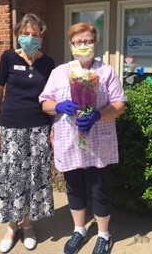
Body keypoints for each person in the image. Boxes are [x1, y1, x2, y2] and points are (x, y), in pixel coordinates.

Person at [39, 22, 125, 254]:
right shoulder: (59, 73)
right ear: (71, 45)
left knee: (100, 188)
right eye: (79, 42)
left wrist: (98, 114)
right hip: (69, 140)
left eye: (88, 41)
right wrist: (58, 105)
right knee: (74, 188)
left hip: (98, 140)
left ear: (95, 43)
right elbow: (44, 102)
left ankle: (104, 234)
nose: (83, 45)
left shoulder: (106, 72)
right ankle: (79, 229)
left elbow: (119, 105)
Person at [0, 13, 55, 253]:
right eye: (25, 34)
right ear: (18, 34)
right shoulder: (7, 58)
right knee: (12, 179)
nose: (30, 38)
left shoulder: (48, 63)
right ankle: (11, 226)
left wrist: (53, 131)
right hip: (10, 128)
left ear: (41, 36)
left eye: (35, 35)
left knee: (34, 178)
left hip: (39, 128)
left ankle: (28, 225)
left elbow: (52, 98)